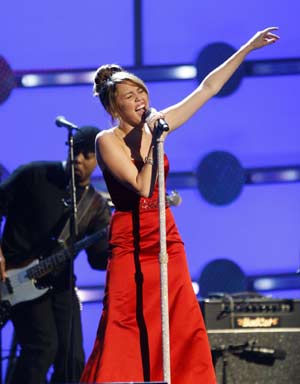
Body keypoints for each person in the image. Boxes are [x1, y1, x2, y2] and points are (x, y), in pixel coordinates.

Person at [80, 27, 280, 384]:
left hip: (164, 233)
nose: (140, 99)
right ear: (114, 107)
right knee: (124, 318)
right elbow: (143, 187)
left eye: (141, 91)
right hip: (130, 238)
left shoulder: (158, 124)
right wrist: (157, 141)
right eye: (129, 96)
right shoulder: (106, 140)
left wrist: (247, 47)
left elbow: (207, 88)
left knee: (177, 315)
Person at [0, 126, 111, 384]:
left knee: (73, 358)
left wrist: (119, 243)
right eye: (75, 152)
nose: (79, 159)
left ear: (99, 159)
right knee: (43, 346)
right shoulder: (34, 175)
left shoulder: (95, 206)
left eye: (87, 155)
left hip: (59, 284)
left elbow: (97, 260)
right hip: (13, 277)